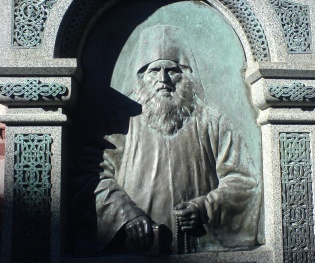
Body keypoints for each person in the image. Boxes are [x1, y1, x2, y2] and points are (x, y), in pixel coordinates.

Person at [85, 25, 261, 254]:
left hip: (197, 245)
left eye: (172, 70)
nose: (163, 79)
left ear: (186, 75)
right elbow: (93, 174)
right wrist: (125, 215)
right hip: (136, 247)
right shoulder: (119, 123)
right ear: (141, 77)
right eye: (154, 70)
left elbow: (244, 180)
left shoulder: (213, 122)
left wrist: (204, 209)